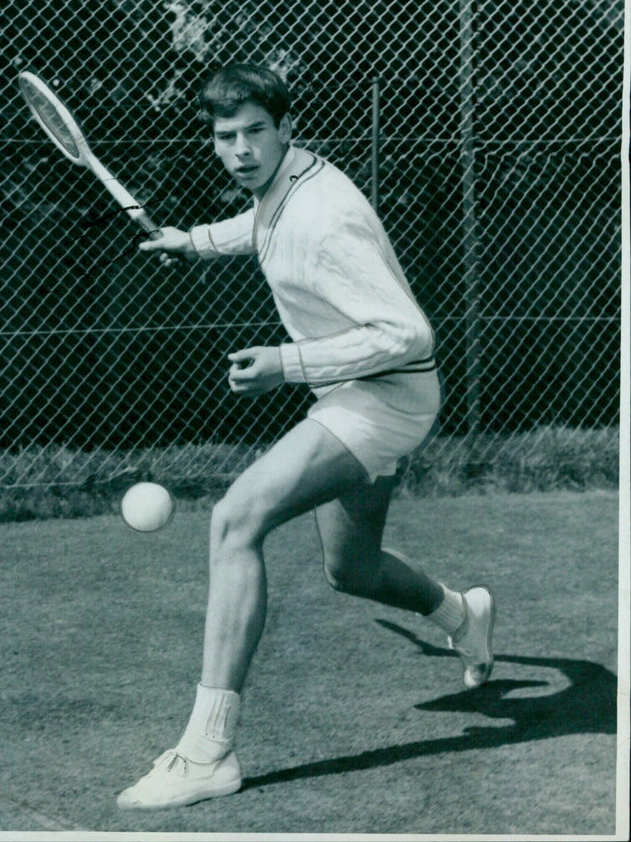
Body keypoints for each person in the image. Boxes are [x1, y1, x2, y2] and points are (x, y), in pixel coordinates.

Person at [117, 62, 494, 811]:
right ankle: (462, 613)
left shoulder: (328, 213)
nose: (241, 149)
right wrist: (192, 242)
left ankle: (208, 751)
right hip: (357, 391)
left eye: (257, 132)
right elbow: (259, 228)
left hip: (383, 397)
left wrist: (286, 363)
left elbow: (407, 331)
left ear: (287, 129)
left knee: (235, 518)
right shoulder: (280, 187)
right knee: (350, 569)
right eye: (227, 136)